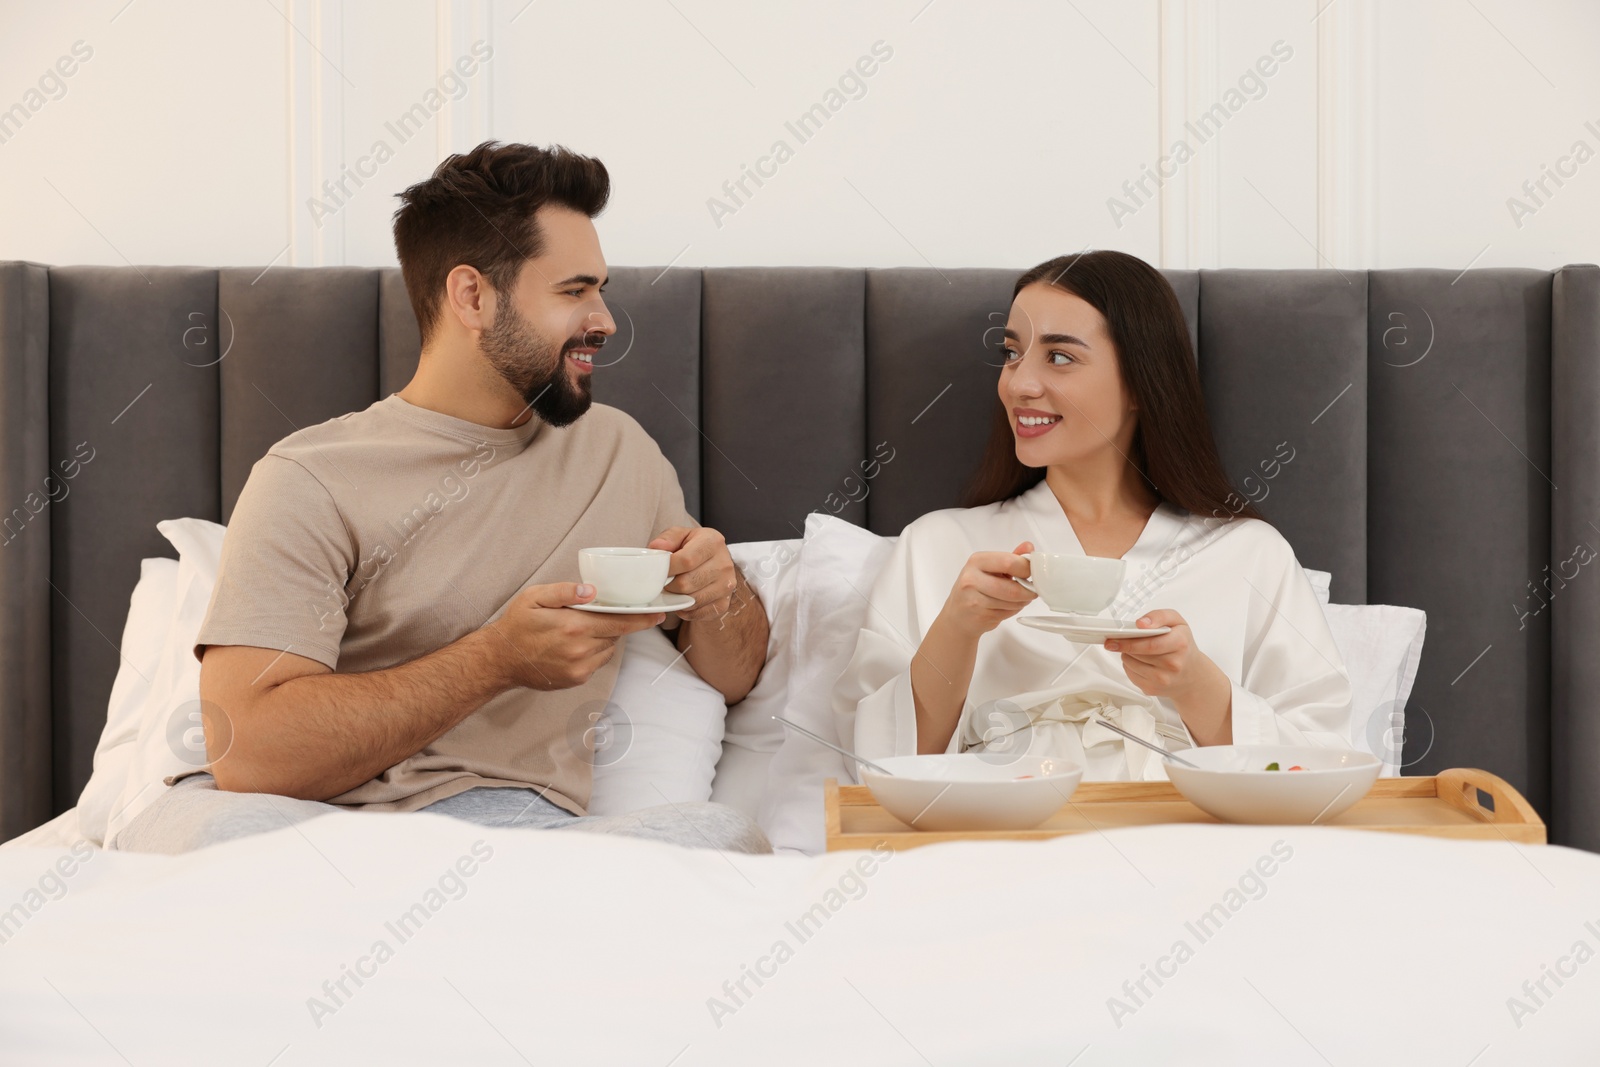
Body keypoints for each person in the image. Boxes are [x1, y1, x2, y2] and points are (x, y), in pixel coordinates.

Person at [114, 141, 771, 854]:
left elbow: (732, 675)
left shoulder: (622, 453)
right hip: (306, 828)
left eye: (601, 289)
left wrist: (720, 590)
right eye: (575, 291)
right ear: (473, 296)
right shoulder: (309, 476)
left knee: (723, 841)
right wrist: (494, 659)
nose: (606, 319)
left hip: (522, 833)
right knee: (221, 840)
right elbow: (250, 752)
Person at [841, 250, 1354, 779]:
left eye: (1059, 357)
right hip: (1003, 842)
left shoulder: (1248, 553)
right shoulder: (938, 546)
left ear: (1140, 382)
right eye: (1012, 353)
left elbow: (1324, 762)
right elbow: (874, 771)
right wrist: (958, 628)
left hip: (1190, 843)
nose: (1018, 384)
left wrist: (1196, 684)